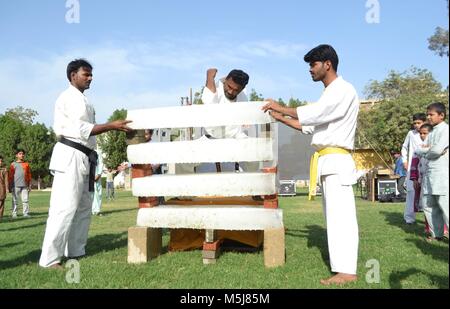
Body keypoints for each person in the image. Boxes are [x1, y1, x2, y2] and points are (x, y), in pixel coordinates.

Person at [262, 44, 359, 285]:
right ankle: (342, 268)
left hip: (337, 160)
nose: (310, 70)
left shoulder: (343, 90)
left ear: (328, 64)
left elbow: (315, 113)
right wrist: (278, 117)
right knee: (333, 218)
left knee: (342, 218)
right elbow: (307, 126)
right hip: (328, 160)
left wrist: (280, 107)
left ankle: (347, 271)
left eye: (313, 64)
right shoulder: (329, 94)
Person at [39, 59, 133, 269]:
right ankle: (50, 259)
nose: (90, 78)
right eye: (86, 74)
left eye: (91, 75)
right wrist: (112, 125)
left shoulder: (83, 99)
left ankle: (76, 251)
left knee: (83, 207)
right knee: (64, 208)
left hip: (84, 156)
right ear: (73, 75)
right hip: (70, 154)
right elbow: (82, 129)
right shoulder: (70, 98)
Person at [415, 103, 448, 242]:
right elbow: (419, 149)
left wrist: (428, 151)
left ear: (441, 115)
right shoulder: (432, 131)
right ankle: (437, 235)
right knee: (429, 205)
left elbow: (435, 150)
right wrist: (430, 151)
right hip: (429, 173)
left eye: (431, 114)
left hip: (441, 173)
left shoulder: (446, 130)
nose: (428, 117)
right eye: (427, 114)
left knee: (445, 205)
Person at [401, 113, 427, 224]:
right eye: (415, 123)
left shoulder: (430, 133)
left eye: (419, 123)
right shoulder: (411, 134)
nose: (416, 125)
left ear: (424, 122)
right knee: (411, 192)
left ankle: (430, 221)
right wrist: (405, 161)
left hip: (426, 168)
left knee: (427, 194)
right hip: (413, 168)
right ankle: (409, 218)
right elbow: (404, 147)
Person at [8, 149, 32, 218]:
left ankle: (25, 213)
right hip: (15, 186)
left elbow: (29, 175)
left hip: (25, 186)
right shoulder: (13, 164)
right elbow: (10, 176)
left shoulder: (26, 164)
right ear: (16, 155)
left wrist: (29, 185)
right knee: (15, 200)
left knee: (25, 200)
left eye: (23, 154)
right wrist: (10, 186)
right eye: (20, 154)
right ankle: (14, 213)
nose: (22, 155)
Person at [0, 155, 8, 221]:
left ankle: (0, 217)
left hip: (2, 189)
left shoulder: (4, 170)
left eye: (1, 161)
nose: (0, 162)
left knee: (1, 203)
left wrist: (7, 188)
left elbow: (6, 180)